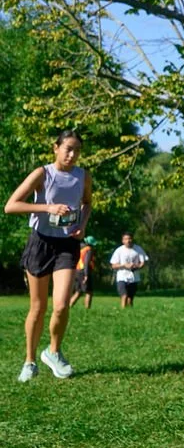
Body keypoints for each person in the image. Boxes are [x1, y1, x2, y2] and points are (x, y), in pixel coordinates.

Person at [4, 128, 92, 382]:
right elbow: (11, 206)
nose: (73, 155)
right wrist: (47, 207)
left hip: (67, 244)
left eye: (77, 150)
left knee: (62, 304)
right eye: (69, 149)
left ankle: (53, 351)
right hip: (40, 243)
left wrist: (82, 225)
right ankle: (30, 360)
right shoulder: (42, 174)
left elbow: (87, 203)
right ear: (56, 148)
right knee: (38, 307)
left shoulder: (83, 176)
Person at [109, 232, 149, 307]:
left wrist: (136, 266)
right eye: (126, 239)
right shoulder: (119, 250)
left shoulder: (138, 249)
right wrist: (124, 265)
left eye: (130, 238)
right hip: (122, 277)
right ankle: (122, 313)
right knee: (124, 296)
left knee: (130, 299)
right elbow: (113, 265)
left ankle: (129, 314)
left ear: (132, 239)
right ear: (123, 241)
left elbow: (143, 262)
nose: (128, 240)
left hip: (134, 277)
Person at [69, 235, 98, 310]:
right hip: (84, 271)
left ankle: (69, 305)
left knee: (79, 291)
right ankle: (87, 309)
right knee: (89, 291)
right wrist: (86, 275)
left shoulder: (80, 248)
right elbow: (86, 262)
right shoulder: (89, 249)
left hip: (77, 271)